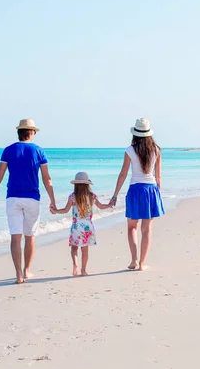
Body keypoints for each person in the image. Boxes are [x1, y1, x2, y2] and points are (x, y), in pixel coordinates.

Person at [0, 119, 56, 284]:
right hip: (32, 198)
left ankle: (18, 275)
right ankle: (27, 271)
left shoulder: (8, 150)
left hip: (12, 198)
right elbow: (46, 178)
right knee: (30, 236)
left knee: (16, 237)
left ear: (19, 132)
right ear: (32, 132)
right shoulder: (39, 151)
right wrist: (53, 200)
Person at [110, 118, 165, 271]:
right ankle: (142, 263)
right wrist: (158, 194)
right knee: (147, 229)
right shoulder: (157, 150)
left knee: (132, 227)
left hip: (135, 190)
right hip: (151, 189)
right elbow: (158, 176)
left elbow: (123, 174)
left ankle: (134, 259)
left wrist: (115, 195)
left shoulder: (130, 150)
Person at [50, 172, 112, 276]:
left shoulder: (72, 197)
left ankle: (75, 265)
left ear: (76, 185)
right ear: (87, 184)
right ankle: (83, 270)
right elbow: (101, 206)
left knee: (74, 248)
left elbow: (65, 210)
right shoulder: (92, 196)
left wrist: (55, 211)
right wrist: (109, 205)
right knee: (85, 250)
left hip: (76, 226)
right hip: (88, 227)